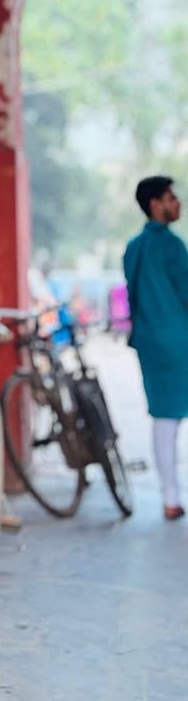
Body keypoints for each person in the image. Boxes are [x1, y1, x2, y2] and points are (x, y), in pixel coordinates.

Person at [123, 176, 188, 520]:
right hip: (179, 339)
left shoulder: (133, 248)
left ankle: (170, 497)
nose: (177, 203)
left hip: (148, 341)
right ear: (155, 204)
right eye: (171, 198)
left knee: (163, 417)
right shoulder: (173, 246)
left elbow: (132, 297)